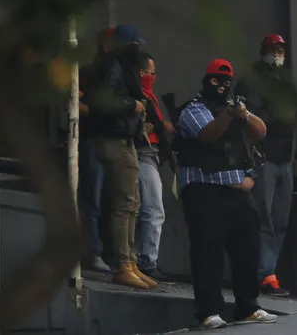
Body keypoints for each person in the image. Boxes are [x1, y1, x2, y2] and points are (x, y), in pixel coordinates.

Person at [176, 58, 278, 329]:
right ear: (205, 81)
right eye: (215, 81)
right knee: (208, 253)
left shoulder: (235, 111)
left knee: (248, 249)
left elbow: (261, 131)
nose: (221, 87)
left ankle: (248, 307)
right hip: (204, 189)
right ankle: (209, 311)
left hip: (237, 192)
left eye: (226, 82)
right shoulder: (193, 109)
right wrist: (228, 115)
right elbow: (209, 136)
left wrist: (242, 113)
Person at [235, 34, 297, 297]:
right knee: (261, 218)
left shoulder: (287, 83)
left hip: (285, 159)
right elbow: (251, 118)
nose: (277, 54)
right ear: (263, 51)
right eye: (272, 50)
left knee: (280, 221)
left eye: (280, 50)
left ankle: (268, 271)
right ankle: (262, 273)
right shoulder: (252, 81)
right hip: (263, 157)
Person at [86, 24, 158, 290]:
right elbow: (101, 102)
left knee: (133, 203)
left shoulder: (118, 67)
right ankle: (124, 264)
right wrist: (133, 105)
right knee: (125, 203)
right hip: (113, 139)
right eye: (134, 45)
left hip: (122, 138)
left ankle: (130, 263)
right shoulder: (112, 67)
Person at [134, 52, 174, 281]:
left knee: (146, 210)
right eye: (150, 72)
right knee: (153, 210)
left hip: (152, 154)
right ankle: (147, 262)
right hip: (142, 153)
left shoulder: (149, 97)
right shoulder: (137, 96)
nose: (152, 76)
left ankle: (141, 259)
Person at [78, 27, 113, 273]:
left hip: (116, 142)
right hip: (93, 140)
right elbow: (70, 99)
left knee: (117, 203)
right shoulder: (90, 73)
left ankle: (112, 254)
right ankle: (92, 253)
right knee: (93, 199)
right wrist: (95, 112)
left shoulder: (118, 73)